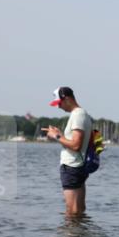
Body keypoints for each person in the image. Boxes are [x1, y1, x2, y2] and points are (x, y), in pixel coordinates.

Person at [43, 86, 93, 216]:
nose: (58, 107)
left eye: (59, 103)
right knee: (78, 210)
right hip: (78, 166)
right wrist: (60, 135)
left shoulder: (77, 115)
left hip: (72, 167)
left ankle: (70, 235)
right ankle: (79, 235)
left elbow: (76, 145)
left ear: (67, 99)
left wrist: (56, 136)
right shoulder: (82, 114)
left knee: (72, 211)